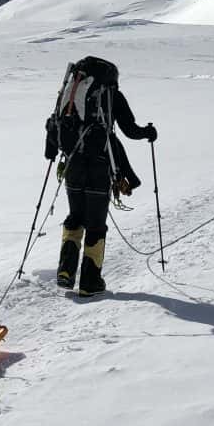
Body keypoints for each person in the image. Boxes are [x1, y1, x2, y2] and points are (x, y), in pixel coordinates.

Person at [44, 57, 156, 297]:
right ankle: (89, 281)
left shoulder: (69, 93)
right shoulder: (112, 95)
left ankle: (65, 272)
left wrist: (52, 151)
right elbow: (130, 130)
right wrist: (149, 132)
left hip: (72, 165)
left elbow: (53, 124)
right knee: (95, 224)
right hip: (99, 168)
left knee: (75, 216)